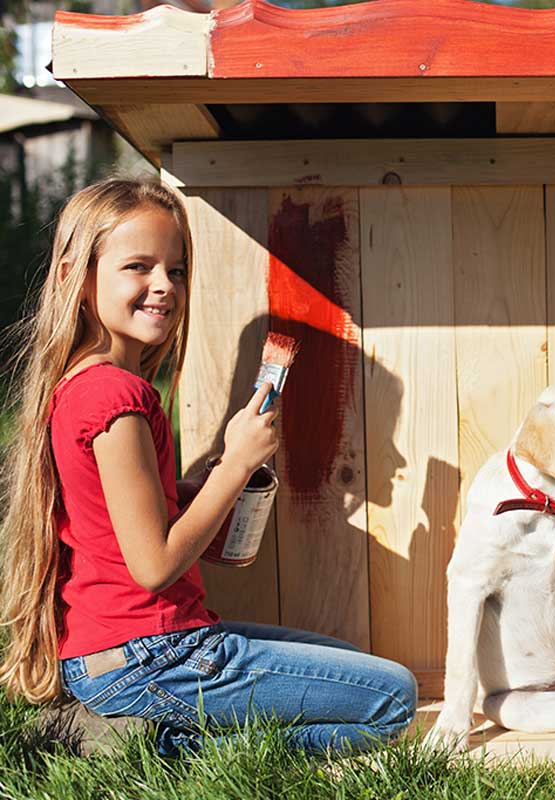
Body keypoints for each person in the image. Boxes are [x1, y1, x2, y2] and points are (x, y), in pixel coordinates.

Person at [0, 178, 416, 756]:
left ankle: (147, 733)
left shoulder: (86, 387)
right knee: (393, 697)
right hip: (151, 656)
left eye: (177, 270)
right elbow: (154, 565)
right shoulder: (113, 397)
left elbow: (122, 531)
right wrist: (236, 465)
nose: (163, 287)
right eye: (138, 267)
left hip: (133, 651)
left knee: (348, 667)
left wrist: (190, 493)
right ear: (76, 274)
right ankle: (148, 745)